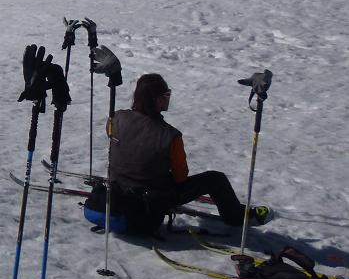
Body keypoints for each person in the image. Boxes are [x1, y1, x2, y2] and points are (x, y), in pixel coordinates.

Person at [108, 72, 270, 231]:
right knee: (215, 179)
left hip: (118, 187)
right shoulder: (170, 136)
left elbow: (114, 136)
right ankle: (236, 217)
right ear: (157, 100)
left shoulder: (116, 118)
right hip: (153, 198)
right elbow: (180, 177)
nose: (169, 98)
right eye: (167, 94)